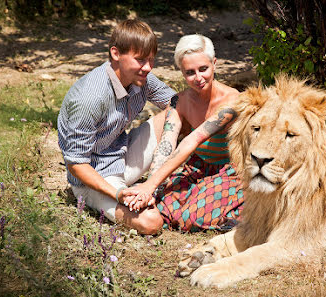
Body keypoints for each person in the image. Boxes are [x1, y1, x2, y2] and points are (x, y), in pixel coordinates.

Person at [57, 19, 177, 235]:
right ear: (115, 54)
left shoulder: (141, 77)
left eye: (151, 60)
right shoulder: (90, 97)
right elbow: (76, 164)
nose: (148, 67)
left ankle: (190, 174)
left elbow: (177, 102)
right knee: (151, 222)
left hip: (122, 154)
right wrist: (118, 192)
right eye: (140, 60)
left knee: (178, 112)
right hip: (94, 178)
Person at [122, 34, 244, 232]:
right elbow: (165, 146)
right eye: (190, 72)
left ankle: (246, 212)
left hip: (228, 169)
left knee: (191, 217)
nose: (198, 78)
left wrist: (150, 185)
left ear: (214, 64)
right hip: (197, 167)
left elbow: (193, 140)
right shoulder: (179, 101)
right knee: (162, 207)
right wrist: (153, 188)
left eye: (203, 69)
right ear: (182, 72)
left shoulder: (232, 100)